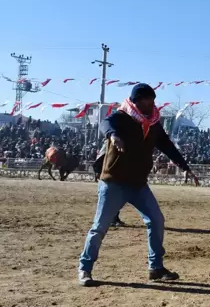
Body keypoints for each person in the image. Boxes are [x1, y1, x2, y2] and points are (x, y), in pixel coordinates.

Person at [77, 83, 200, 286]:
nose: (151, 104)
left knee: (156, 220)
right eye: (146, 100)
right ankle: (85, 268)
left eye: (152, 99)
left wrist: (186, 167)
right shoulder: (121, 116)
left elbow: (168, 146)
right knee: (100, 227)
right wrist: (113, 136)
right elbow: (105, 124)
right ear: (136, 101)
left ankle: (156, 267)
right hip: (113, 183)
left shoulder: (152, 124)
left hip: (138, 185)